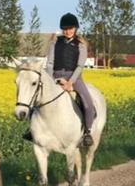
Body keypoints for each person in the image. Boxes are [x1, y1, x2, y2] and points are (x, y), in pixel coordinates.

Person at [37, 12, 96, 148]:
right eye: (65, 29)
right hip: (55, 75)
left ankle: (87, 133)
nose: (68, 31)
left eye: (70, 28)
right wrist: (51, 81)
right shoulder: (55, 42)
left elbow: (80, 66)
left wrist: (70, 83)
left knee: (88, 105)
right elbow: (50, 63)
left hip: (73, 77)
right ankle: (33, 130)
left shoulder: (80, 45)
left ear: (75, 29)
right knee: (36, 100)